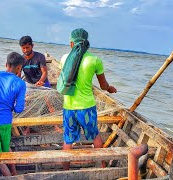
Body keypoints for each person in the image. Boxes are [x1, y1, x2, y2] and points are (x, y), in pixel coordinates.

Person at [59, 28, 117, 170]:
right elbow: (103, 85)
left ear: (72, 43)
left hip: (69, 108)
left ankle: (65, 171)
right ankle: (102, 167)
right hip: (86, 108)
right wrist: (110, 88)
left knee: (68, 140)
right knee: (95, 136)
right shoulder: (94, 60)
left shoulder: (64, 59)